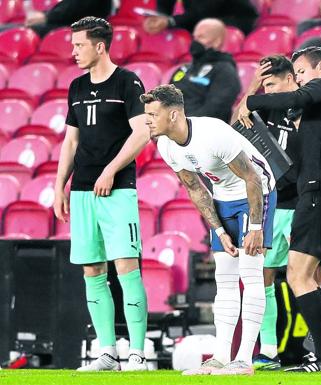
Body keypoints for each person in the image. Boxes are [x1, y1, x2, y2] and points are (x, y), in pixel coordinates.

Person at [141, 84, 276, 376]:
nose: (147, 120)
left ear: (174, 115)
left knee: (250, 273)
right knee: (224, 277)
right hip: (223, 195)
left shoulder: (212, 133)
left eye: (153, 114)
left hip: (255, 190)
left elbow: (253, 178)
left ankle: (244, 360)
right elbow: (195, 189)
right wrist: (219, 230)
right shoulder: (165, 144)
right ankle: (220, 357)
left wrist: (256, 227)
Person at [238, 47, 321, 372]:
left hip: (320, 193)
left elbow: (298, 97)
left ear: (320, 68)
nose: (300, 79)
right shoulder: (311, 114)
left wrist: (251, 100)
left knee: (297, 276)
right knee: (309, 279)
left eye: (301, 72)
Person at [53, 17, 150, 371]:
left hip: (118, 188)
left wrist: (111, 170)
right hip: (81, 191)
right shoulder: (76, 87)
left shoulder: (128, 82)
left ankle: (138, 353)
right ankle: (107, 352)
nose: (73, 51)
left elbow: (142, 133)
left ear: (99, 46)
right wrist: (58, 185)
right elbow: (70, 141)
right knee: (92, 271)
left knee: (126, 266)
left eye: (79, 45)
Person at [233, 55, 302, 371]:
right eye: (263, 85)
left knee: (310, 275)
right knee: (264, 276)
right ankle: (270, 349)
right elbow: (235, 127)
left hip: (302, 201)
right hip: (274, 201)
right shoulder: (261, 107)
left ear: (290, 79)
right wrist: (252, 86)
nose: (266, 91)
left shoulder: (305, 105)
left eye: (271, 84)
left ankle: (311, 346)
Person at [169, 18, 240, 122]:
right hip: (174, 129)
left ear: (217, 41)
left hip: (203, 130)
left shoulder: (225, 71)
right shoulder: (183, 69)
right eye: (194, 37)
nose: (195, 42)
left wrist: (185, 124)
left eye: (201, 37)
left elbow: (215, 110)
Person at [0, 0, 113, 37]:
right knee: (7, 29)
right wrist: (46, 16)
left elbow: (73, 8)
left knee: (14, 31)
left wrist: (47, 17)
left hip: (76, 29)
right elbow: (66, 6)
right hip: (63, 24)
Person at [144, 0, 258, 35]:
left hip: (235, 20)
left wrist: (169, 21)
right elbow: (164, 4)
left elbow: (202, 12)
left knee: (206, 30)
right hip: (202, 20)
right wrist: (159, 17)